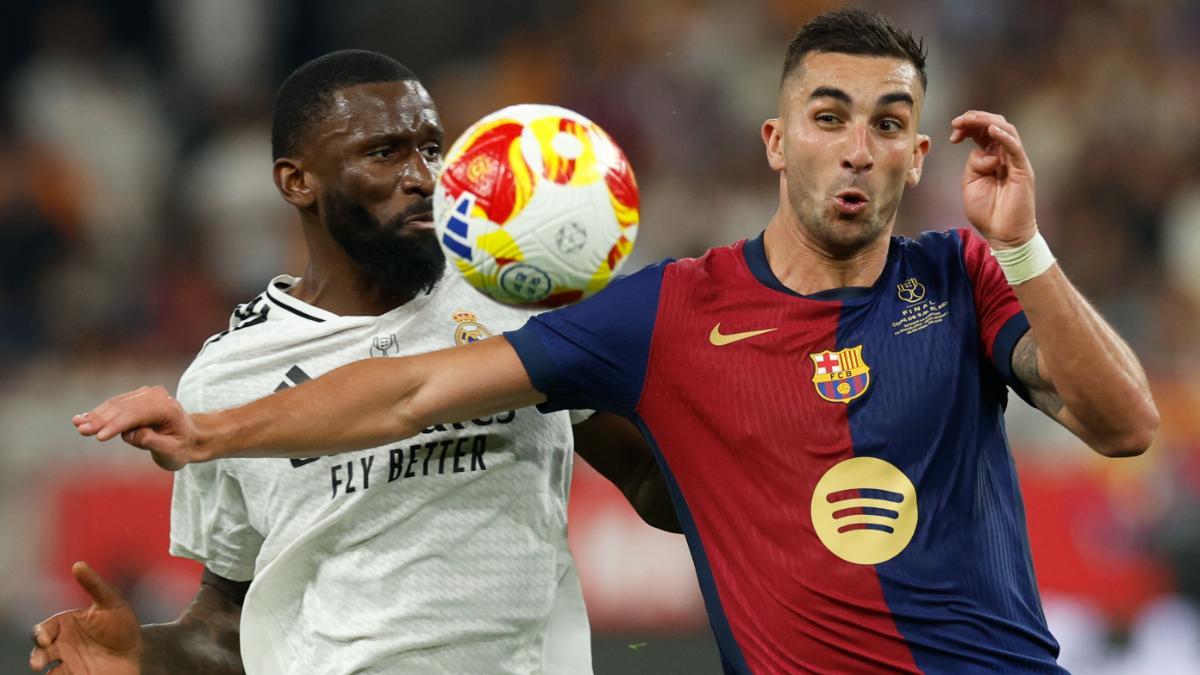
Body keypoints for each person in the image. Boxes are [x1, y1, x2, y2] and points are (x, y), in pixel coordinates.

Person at [62, 9, 1160, 674]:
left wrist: (1023, 247)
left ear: (920, 152)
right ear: (777, 141)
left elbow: (1125, 425)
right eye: (829, 116)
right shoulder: (666, 312)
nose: (858, 148)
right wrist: (210, 430)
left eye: (886, 123)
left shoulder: (962, 278)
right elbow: (403, 394)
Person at [29, 50, 677, 675]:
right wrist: (145, 656)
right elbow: (230, 624)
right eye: (383, 152)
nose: (423, 176)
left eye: (430, 147)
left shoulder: (516, 301)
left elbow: (655, 485)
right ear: (297, 180)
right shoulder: (227, 377)